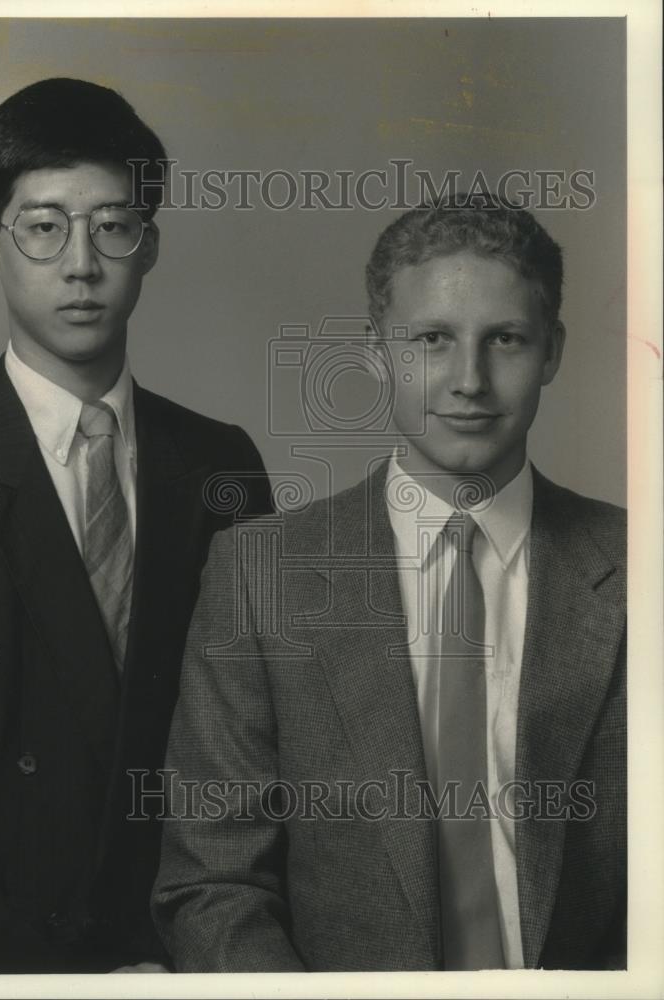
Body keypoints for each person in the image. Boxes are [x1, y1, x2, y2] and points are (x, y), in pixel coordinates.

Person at [152, 194, 627, 971]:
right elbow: (211, 881)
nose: (467, 380)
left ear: (551, 351)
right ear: (377, 353)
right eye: (431, 339)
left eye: (503, 339)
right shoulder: (261, 575)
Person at [0, 77, 272, 974]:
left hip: (178, 956)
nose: (82, 263)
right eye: (44, 226)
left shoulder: (221, 468)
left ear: (150, 244)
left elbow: (247, 761)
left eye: (113, 225)